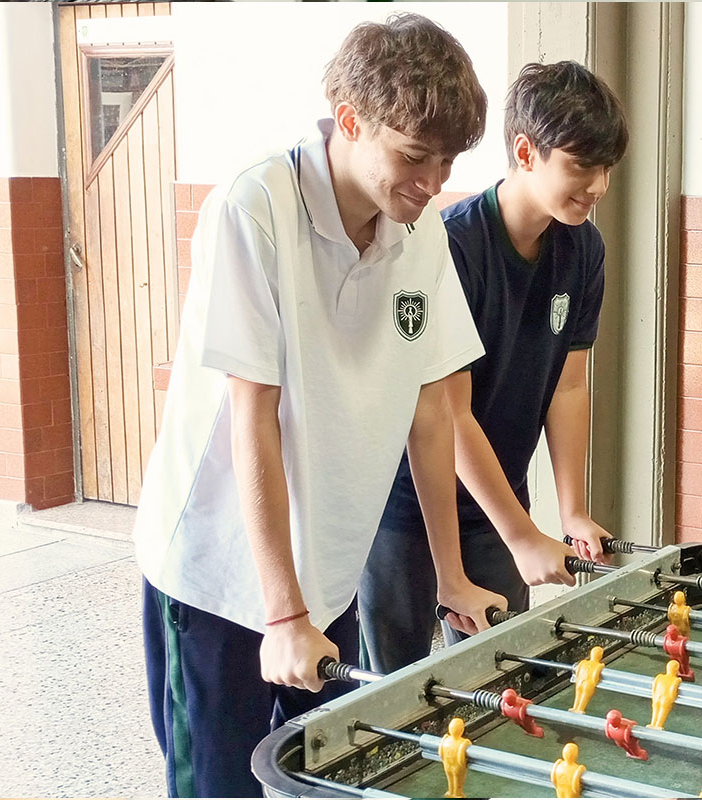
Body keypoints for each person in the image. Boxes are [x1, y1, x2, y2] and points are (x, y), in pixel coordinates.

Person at [134, 15, 503, 796]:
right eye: (414, 155)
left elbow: (430, 412)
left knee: (324, 778)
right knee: (221, 786)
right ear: (350, 120)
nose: (433, 181)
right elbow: (253, 416)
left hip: (327, 573)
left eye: (448, 161)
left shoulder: (420, 233)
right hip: (222, 577)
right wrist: (279, 614)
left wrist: (450, 576)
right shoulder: (253, 209)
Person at [359, 60, 629, 673]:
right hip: (403, 510)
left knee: (500, 681)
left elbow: (569, 385)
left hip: (496, 502)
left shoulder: (583, 247)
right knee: (393, 691)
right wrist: (523, 536)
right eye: (581, 166)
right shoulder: (449, 246)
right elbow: (447, 413)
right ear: (526, 152)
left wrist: (570, 511)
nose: (599, 185)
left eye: (606, 168)